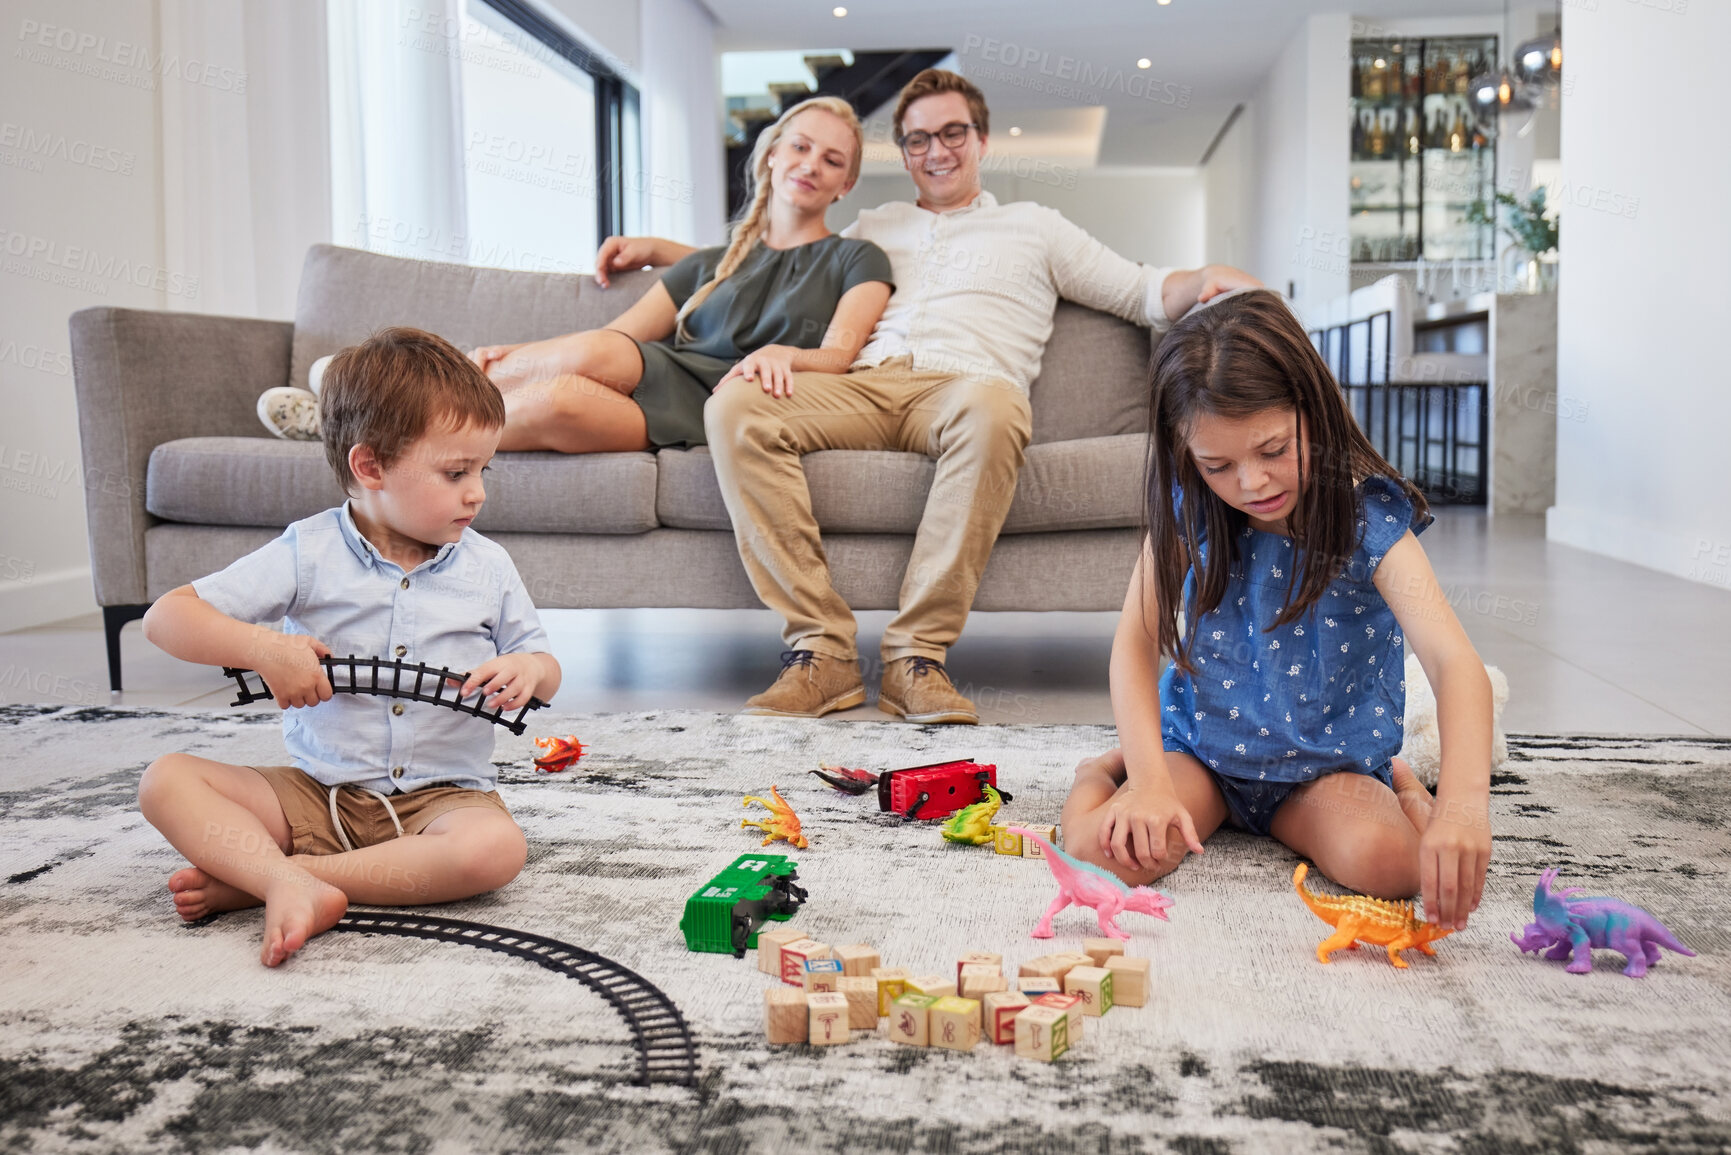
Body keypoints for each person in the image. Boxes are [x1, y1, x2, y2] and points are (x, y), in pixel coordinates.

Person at [596, 70, 1261, 724]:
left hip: (966, 387)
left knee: (997, 407)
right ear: (904, 153)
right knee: (734, 404)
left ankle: (915, 657)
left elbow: (1139, 290)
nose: (936, 151)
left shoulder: (1035, 226)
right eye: (918, 140)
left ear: (981, 140)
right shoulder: (870, 227)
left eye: (952, 133)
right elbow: (770, 262)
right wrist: (659, 249)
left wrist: (1204, 277)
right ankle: (820, 650)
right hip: (860, 384)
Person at [1059, 289, 1493, 929]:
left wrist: (1459, 808)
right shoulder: (1190, 506)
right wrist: (1149, 780)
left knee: (1395, 868)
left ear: (1313, 410)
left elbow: (1456, 664)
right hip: (1204, 758)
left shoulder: (1370, 521)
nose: (1251, 485)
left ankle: (1399, 779)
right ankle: (1103, 768)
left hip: (1320, 774)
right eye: (1218, 465)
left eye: (1271, 451)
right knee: (1100, 852)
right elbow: (1134, 642)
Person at [138, 328, 562, 967]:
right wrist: (264, 648)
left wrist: (528, 669)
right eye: (455, 472)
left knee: (494, 851)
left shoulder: (489, 566)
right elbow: (167, 618)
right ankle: (286, 876)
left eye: (482, 470)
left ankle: (274, 879)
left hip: (441, 802)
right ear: (370, 467)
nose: (477, 492)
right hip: (316, 795)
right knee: (165, 781)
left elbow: (547, 667)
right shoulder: (307, 551)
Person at [255, 97, 893, 455]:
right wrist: (520, 355)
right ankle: (363, 397)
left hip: (721, 407)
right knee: (593, 352)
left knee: (557, 401)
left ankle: (358, 413)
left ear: (846, 183)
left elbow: (840, 354)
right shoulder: (707, 263)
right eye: (801, 145)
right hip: (657, 373)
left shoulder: (858, 259)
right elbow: (615, 343)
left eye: (832, 159)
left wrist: (789, 354)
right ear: (775, 152)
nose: (812, 164)